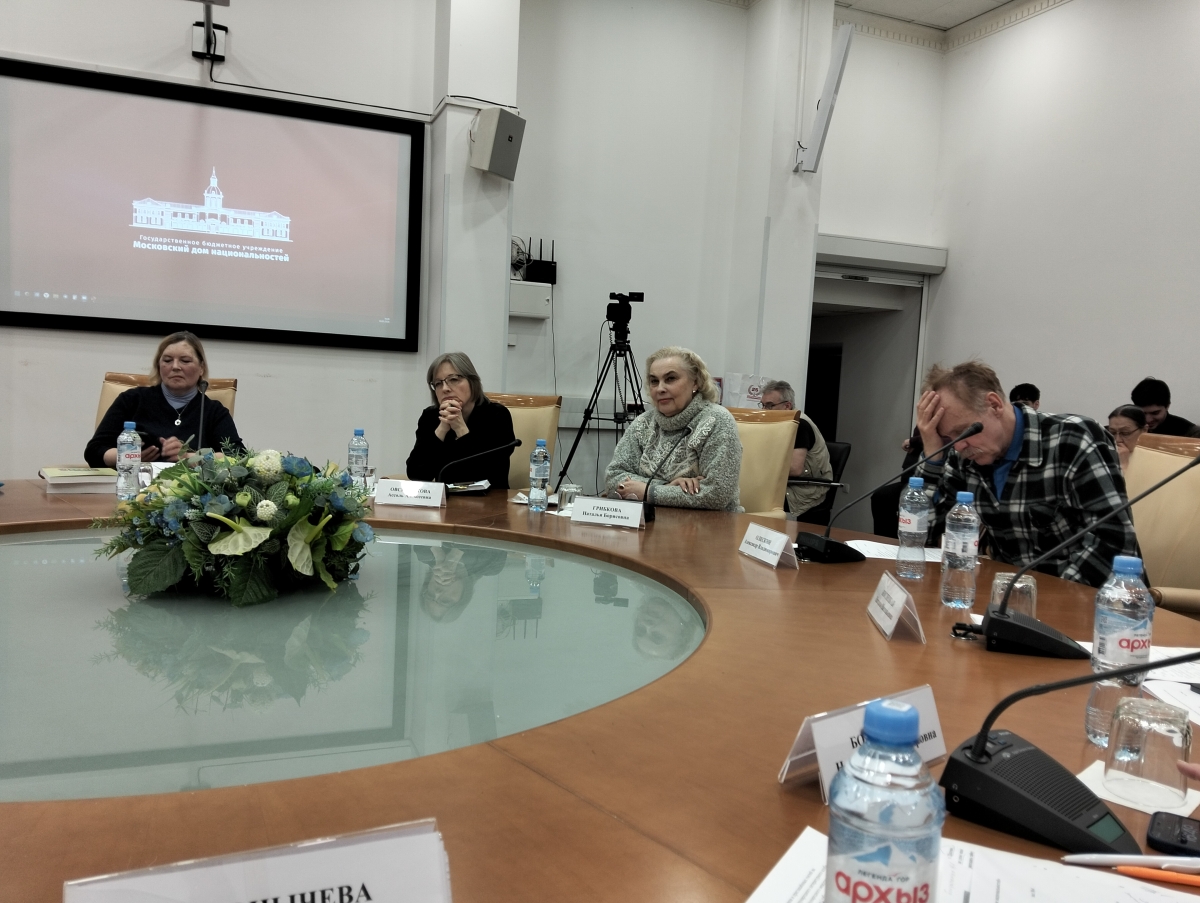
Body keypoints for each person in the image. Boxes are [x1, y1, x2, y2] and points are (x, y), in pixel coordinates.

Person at [914, 360, 1137, 588]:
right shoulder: (964, 454)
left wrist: (1042, 599)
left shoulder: (1073, 438)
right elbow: (923, 536)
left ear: (994, 405)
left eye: (963, 431)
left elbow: (1114, 541)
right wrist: (933, 454)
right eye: (949, 438)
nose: (959, 446)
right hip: (1006, 594)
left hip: (1082, 597)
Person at [606, 346, 742, 511]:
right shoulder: (643, 422)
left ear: (696, 382)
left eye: (670, 379)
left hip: (710, 523)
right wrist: (665, 486)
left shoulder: (717, 420)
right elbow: (613, 477)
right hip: (651, 521)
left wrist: (649, 492)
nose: (660, 388)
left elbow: (716, 494)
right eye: (654, 381)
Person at [84, 331, 243, 468]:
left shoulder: (213, 411)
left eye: (185, 361)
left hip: (189, 491)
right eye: (167, 360)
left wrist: (187, 457)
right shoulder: (132, 400)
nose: (175, 366)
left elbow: (238, 457)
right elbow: (94, 450)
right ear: (159, 366)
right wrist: (128, 456)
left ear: (201, 367)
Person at [405, 352, 516, 488]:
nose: (445, 389)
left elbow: (488, 473)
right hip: (446, 499)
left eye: (454, 379)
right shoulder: (430, 417)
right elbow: (416, 474)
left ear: (472, 382)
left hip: (490, 499)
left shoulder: (497, 415)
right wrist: (441, 430)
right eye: (438, 383)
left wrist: (461, 429)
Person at [759, 379, 833, 518]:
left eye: (769, 406)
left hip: (805, 489)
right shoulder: (780, 424)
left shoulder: (799, 425)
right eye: (762, 405)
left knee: (754, 498)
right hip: (786, 484)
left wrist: (759, 469)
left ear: (787, 406)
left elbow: (795, 469)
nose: (764, 411)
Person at [1106, 405, 1148, 471]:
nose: (1117, 440)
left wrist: (1123, 465)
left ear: (1144, 430)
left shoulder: (1156, 458)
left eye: (1125, 433)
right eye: (1112, 433)